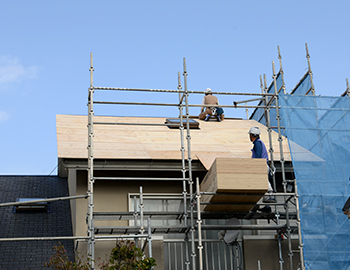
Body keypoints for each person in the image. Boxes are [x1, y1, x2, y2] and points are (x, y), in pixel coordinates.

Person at [248, 126, 277, 208]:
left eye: (250, 135)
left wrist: (255, 164)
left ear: (252, 135)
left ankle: (270, 196)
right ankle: (267, 207)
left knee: (264, 181)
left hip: (261, 165)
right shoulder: (259, 142)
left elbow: (258, 155)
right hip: (263, 164)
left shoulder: (257, 143)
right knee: (262, 184)